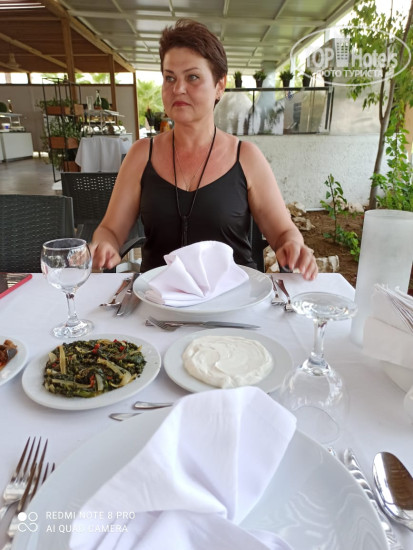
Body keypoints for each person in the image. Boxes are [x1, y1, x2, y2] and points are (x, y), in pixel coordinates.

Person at [90, 19, 318, 281]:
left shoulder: (246, 157)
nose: (178, 88)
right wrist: (104, 245)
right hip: (159, 300)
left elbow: (283, 232)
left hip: (234, 299)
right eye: (169, 78)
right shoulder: (141, 155)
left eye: (193, 77)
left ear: (219, 85)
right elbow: (110, 230)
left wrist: (292, 245)